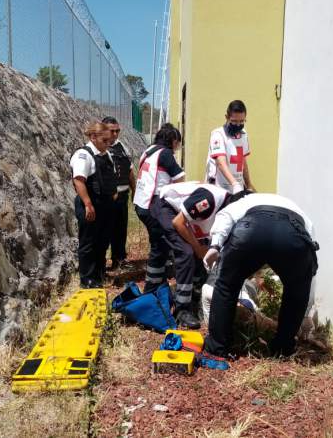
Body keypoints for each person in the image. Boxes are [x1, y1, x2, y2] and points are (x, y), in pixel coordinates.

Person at [202, 193, 319, 358]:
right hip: (293, 234)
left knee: (226, 286)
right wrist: (307, 311)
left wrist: (215, 244)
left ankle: (217, 346)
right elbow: (309, 269)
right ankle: (283, 348)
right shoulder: (299, 210)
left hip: (251, 231)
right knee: (296, 292)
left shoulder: (244, 201)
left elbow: (225, 216)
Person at [152, 181, 241, 328]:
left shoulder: (227, 210)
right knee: (186, 252)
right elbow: (178, 222)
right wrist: (198, 248)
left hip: (181, 216)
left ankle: (194, 298)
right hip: (167, 208)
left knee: (200, 251)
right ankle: (182, 309)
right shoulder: (208, 201)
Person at [133, 123, 186, 290]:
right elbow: (179, 179)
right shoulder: (165, 154)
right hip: (153, 205)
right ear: (172, 140)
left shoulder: (148, 151)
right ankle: (152, 286)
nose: (178, 146)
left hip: (141, 204)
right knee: (160, 245)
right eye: (178, 142)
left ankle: (157, 280)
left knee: (158, 243)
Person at [70, 122, 117, 288]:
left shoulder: (105, 154)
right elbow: (79, 180)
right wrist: (88, 204)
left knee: (102, 241)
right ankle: (87, 278)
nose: (108, 144)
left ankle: (99, 272)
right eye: (104, 140)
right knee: (88, 242)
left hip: (105, 204)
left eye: (109, 141)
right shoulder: (84, 155)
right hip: (91, 204)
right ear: (93, 137)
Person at [102, 116, 135, 270]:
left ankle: (119, 259)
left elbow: (129, 171)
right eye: (112, 130)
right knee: (105, 231)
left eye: (117, 131)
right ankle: (100, 264)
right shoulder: (100, 148)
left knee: (120, 230)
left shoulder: (122, 147)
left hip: (122, 197)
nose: (115, 134)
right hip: (107, 198)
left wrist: (134, 189)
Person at [204, 100, 255, 194]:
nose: (238, 125)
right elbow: (220, 163)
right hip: (219, 188)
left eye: (241, 121)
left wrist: (248, 185)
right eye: (234, 121)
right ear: (227, 117)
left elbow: (243, 162)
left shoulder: (244, 135)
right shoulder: (218, 134)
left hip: (237, 189)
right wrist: (234, 184)